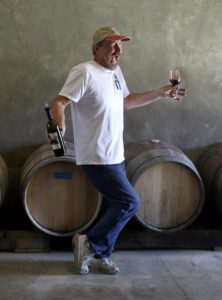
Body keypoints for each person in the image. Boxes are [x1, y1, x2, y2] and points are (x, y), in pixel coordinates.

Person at [49, 26, 186, 275]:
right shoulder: (84, 71)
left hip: (115, 153)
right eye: (111, 43)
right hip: (96, 155)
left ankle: (101, 254)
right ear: (96, 48)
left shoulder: (115, 72)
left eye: (120, 43)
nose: (117, 48)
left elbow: (126, 101)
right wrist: (60, 122)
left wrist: (160, 93)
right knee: (129, 202)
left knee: (117, 204)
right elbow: (60, 101)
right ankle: (89, 243)